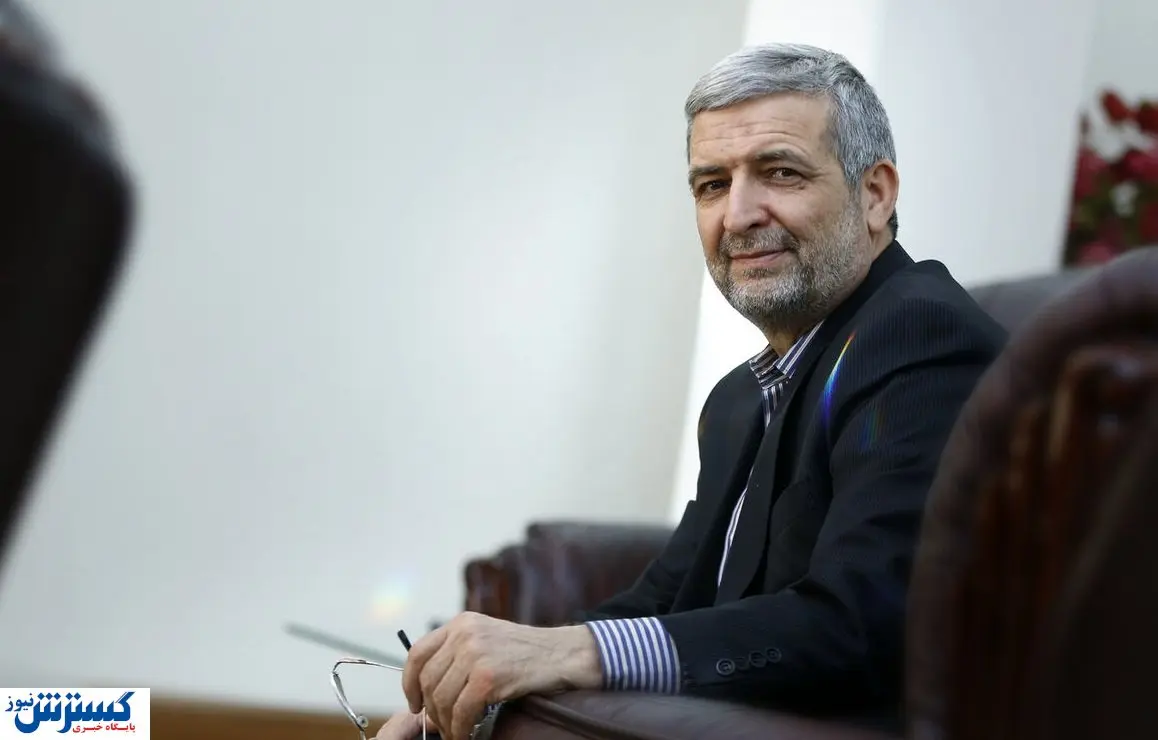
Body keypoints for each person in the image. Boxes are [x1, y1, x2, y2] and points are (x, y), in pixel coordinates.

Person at [376, 42, 1007, 740]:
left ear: (876, 194)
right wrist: (489, 671)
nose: (737, 215)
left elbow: (861, 621)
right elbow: (667, 596)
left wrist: (570, 655)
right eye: (711, 185)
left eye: (780, 172)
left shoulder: (920, 335)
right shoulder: (741, 398)